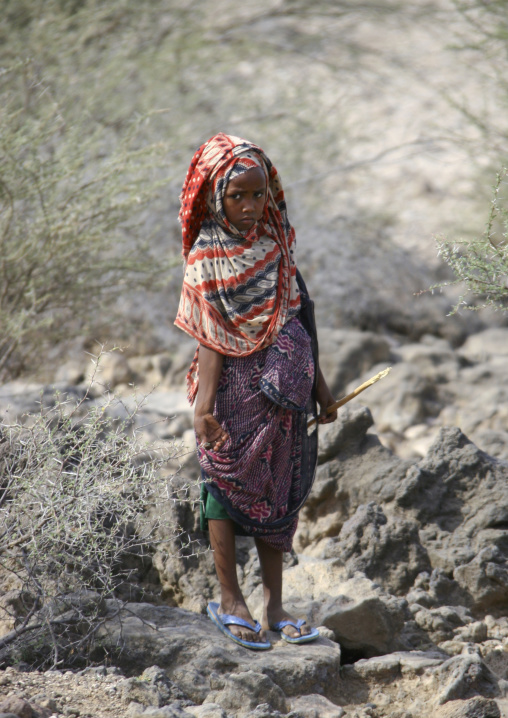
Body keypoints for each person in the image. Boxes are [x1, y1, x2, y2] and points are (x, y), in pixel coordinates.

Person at [175, 133, 337, 650]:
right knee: (222, 484)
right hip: (228, 391)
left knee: (278, 490)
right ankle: (230, 599)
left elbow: (299, 322)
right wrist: (203, 407)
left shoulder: (276, 248)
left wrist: (321, 389)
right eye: (236, 196)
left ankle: (276, 605)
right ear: (215, 197)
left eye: (257, 194)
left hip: (282, 391)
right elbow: (209, 336)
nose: (248, 207)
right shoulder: (206, 256)